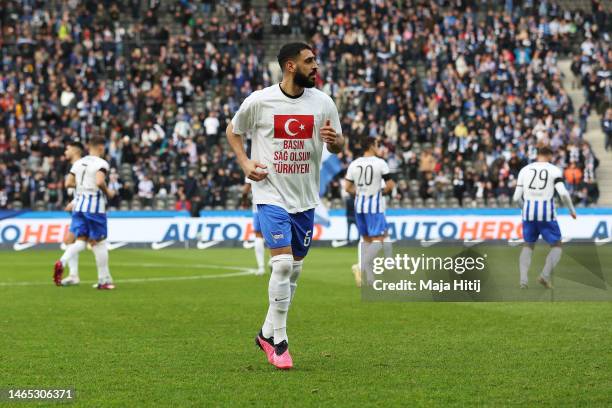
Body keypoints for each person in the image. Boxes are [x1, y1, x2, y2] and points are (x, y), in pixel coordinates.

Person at [226, 42, 344, 369]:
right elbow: (232, 131)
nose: (315, 66)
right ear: (290, 66)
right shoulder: (261, 101)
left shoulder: (323, 102)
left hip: (305, 198)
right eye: (309, 61)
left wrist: (337, 142)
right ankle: (279, 341)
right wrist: (245, 162)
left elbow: (339, 142)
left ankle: (265, 332)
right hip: (269, 193)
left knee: (293, 271)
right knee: (281, 265)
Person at [53, 137, 117, 290]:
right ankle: (103, 281)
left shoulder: (78, 163)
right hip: (94, 207)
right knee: (99, 242)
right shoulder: (101, 163)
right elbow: (100, 182)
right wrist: (109, 192)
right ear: (101, 148)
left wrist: (83, 186)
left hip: (79, 206)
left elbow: (68, 183)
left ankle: (62, 261)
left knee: (81, 241)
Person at [512, 146, 577, 289]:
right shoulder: (554, 170)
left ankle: (523, 281)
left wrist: (525, 209)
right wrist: (571, 210)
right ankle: (544, 276)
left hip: (528, 213)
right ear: (549, 156)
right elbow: (564, 193)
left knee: (528, 245)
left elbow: (516, 197)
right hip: (546, 213)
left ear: (537, 155)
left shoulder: (524, 170)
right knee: (557, 246)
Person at [344, 137, 395, 287]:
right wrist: (379, 192)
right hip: (374, 207)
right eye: (377, 144)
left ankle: (370, 278)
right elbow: (390, 185)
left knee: (366, 242)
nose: (379, 147)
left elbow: (347, 187)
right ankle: (359, 267)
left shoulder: (354, 164)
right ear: (372, 146)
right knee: (378, 241)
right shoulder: (380, 163)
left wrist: (360, 193)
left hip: (359, 205)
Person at [58, 141, 84, 286]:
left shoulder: (82, 165)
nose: (65, 152)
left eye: (67, 149)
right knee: (71, 240)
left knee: (90, 241)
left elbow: (88, 186)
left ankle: (62, 264)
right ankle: (73, 275)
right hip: (78, 207)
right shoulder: (73, 165)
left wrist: (74, 202)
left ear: (74, 150)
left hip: (82, 206)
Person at [242, 180, 265, 276]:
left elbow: (245, 189)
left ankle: (261, 267)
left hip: (259, 206)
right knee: (276, 234)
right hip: (277, 205)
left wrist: (244, 200)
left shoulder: (253, 165)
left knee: (258, 235)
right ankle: (274, 261)